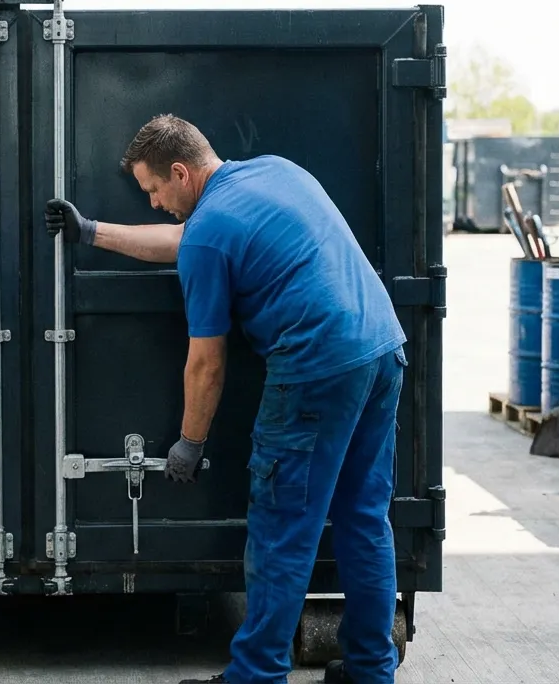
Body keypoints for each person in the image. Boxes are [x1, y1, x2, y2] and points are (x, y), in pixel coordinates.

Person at [44, 115, 407, 684]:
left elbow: (206, 362)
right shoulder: (273, 173)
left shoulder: (209, 230)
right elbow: (191, 240)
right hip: (381, 351)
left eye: (154, 189)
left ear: (181, 172)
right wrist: (90, 231)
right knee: (364, 518)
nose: (154, 201)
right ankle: (370, 670)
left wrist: (189, 442)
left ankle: (256, 677)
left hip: (316, 369)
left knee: (283, 527)